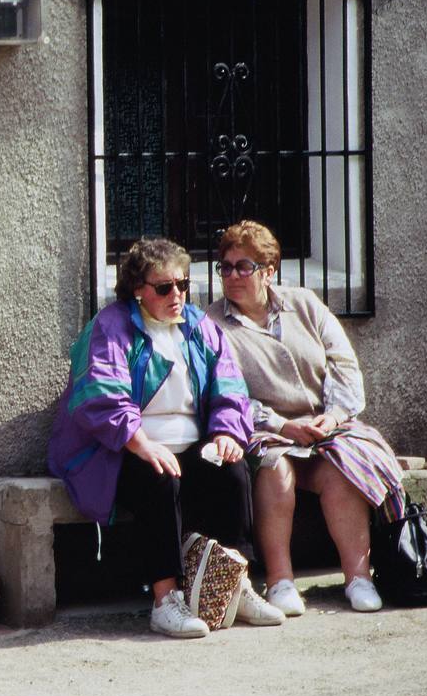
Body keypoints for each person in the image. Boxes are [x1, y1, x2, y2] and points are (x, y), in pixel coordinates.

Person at [48, 237, 284, 638]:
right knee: (158, 477)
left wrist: (227, 432)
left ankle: (235, 583)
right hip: (119, 450)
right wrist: (141, 443)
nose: (176, 295)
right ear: (138, 289)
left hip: (189, 445)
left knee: (233, 472)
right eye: (164, 287)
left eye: (182, 284)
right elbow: (101, 396)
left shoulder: (198, 326)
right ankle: (165, 599)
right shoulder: (111, 327)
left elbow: (230, 387)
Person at [207, 220, 406, 615]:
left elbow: (343, 365)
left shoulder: (304, 304)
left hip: (321, 427)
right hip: (264, 429)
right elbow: (224, 393)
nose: (232, 276)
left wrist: (330, 419)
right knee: (275, 468)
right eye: (225, 267)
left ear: (269, 270)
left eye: (243, 266)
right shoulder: (213, 324)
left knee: (342, 469)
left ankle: (358, 578)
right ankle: (280, 582)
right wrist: (283, 426)